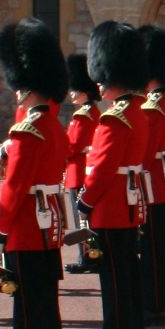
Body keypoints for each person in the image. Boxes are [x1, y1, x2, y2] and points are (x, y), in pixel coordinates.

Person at [0, 18, 73, 329]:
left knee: (26, 312)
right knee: (44, 307)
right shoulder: (53, 127)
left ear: (21, 85)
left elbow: (13, 187)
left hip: (25, 228)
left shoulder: (27, 130)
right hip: (49, 227)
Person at [78, 22, 149, 329]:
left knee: (114, 277)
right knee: (128, 273)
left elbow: (102, 169)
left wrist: (85, 200)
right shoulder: (137, 112)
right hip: (129, 202)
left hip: (110, 205)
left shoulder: (113, 119)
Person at [136, 26, 165, 324]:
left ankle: (155, 304)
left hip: (150, 186)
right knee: (163, 247)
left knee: (152, 249)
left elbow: (143, 154)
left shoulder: (152, 107)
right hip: (163, 185)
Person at [63, 54, 100, 274]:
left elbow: (72, 146)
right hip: (81, 171)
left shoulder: (83, 116)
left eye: (74, 89)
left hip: (78, 172)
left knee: (82, 220)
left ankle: (88, 257)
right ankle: (89, 255)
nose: (71, 93)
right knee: (85, 219)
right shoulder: (90, 112)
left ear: (83, 90)